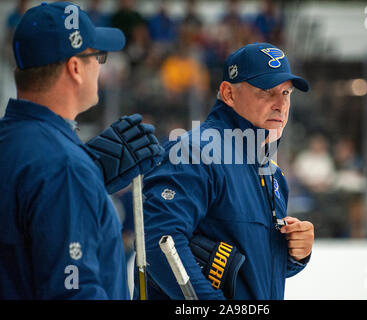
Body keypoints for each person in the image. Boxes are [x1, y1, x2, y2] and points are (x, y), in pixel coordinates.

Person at [0, 1, 163, 299]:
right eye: (97, 57)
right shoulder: (64, 167)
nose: (99, 69)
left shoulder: (13, 141)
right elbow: (73, 291)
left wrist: (89, 177)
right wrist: (76, 178)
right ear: (75, 67)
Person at [135, 43, 314, 300]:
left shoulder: (271, 173)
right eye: (266, 91)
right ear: (228, 93)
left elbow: (250, 271)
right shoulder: (193, 152)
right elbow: (158, 244)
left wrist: (295, 254)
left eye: (286, 93)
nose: (280, 104)